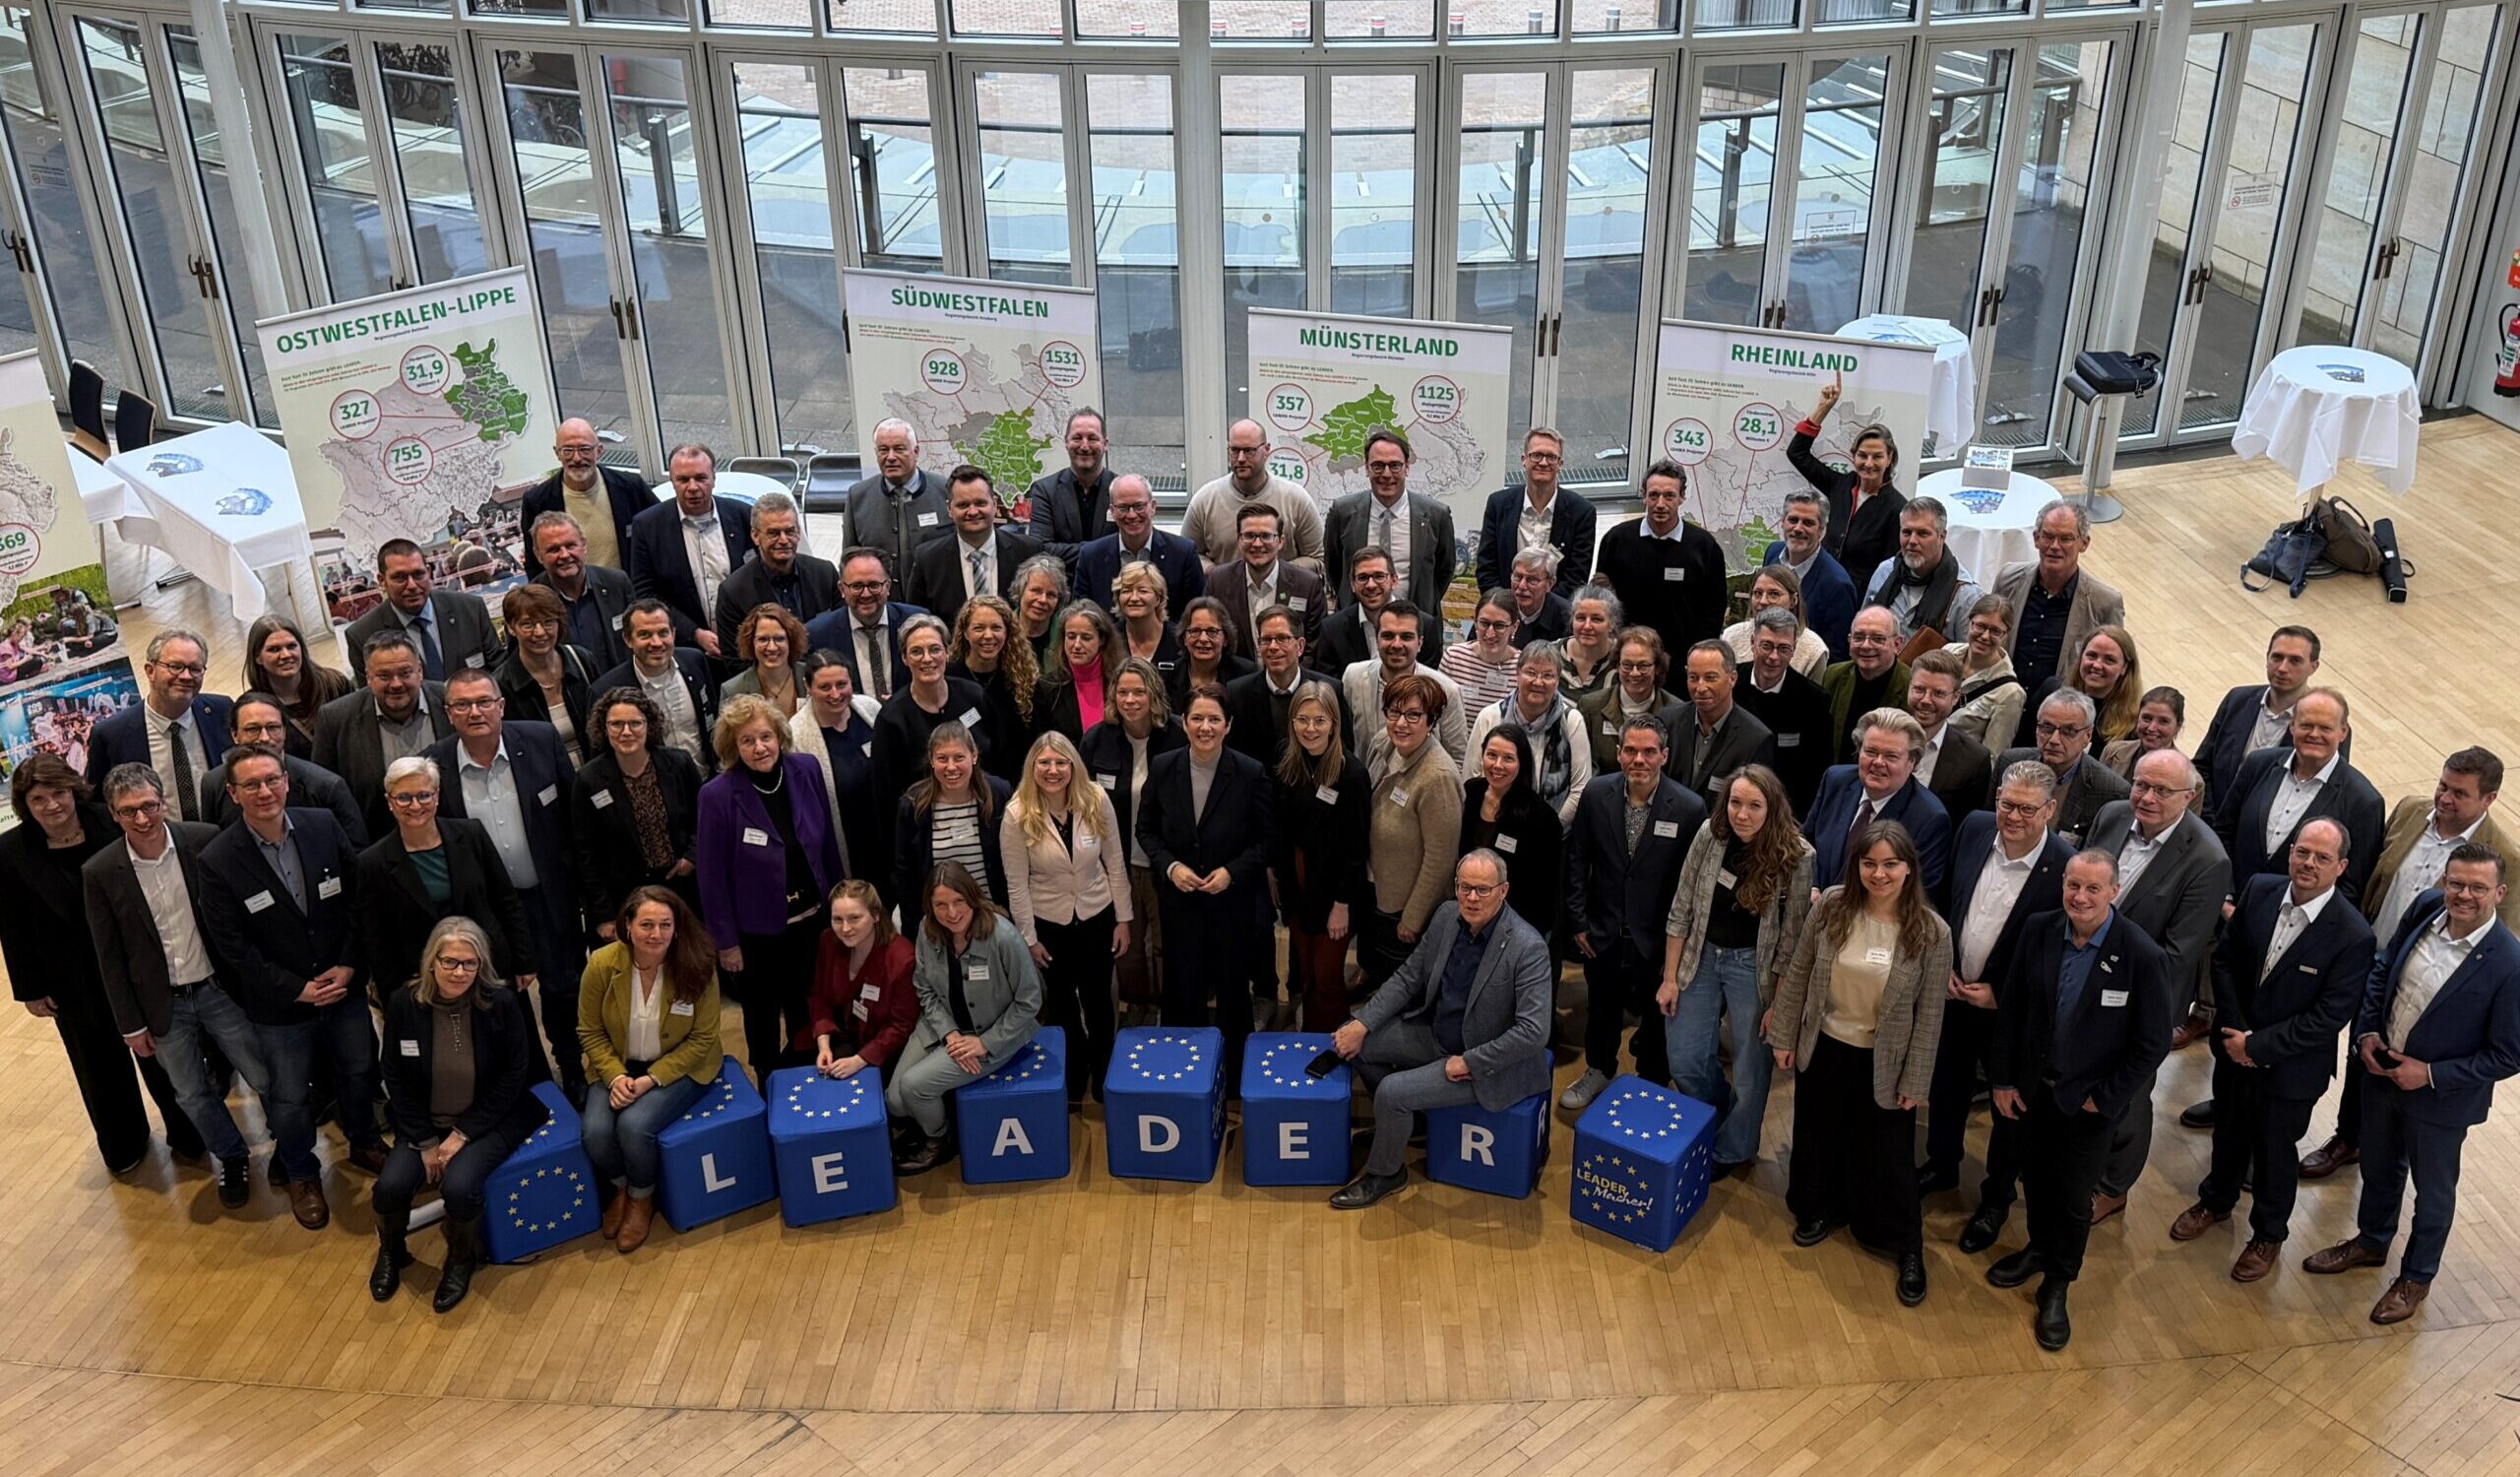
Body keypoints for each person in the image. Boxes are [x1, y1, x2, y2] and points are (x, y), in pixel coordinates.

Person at [2300, 844, 2517, 1325]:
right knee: (2378, 1168)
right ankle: (2372, 1242)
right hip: (2381, 1075)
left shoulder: (2509, 963)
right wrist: (2369, 1031)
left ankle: (2416, 1276)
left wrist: (2431, 1074)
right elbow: (2383, 969)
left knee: (2433, 1194)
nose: (2462, 894)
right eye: (2455, 882)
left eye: (2477, 887)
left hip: (2440, 1102)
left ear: (2498, 893)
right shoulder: (2424, 907)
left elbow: (2508, 1055)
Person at [2168, 820, 2376, 1282]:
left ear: (2341, 867)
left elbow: (2328, 1017)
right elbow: (2224, 960)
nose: (2309, 863)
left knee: (2274, 1153)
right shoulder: (2260, 890)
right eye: (2303, 852)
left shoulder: (2353, 934)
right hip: (2232, 1047)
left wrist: (2258, 1047)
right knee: (2228, 1132)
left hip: (2289, 1071)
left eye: (2322, 858)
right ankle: (2215, 1202)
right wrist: (2237, 1033)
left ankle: (2268, 1234)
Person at [2301, 747, 2520, 1181]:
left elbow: (2497, 940)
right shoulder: (2409, 810)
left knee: (2396, 1061)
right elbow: (2375, 874)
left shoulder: (2504, 858)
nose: (2445, 798)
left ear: (2489, 799)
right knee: (2360, 1049)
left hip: (2427, 981)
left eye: (2460, 793)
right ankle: (2352, 1133)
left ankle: (2359, 1141)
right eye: (2443, 786)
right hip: (2372, 956)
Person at [1984, 850, 2173, 1351]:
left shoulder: (2140, 955)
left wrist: (2103, 1099)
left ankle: (2058, 1283)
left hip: (2087, 1106)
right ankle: (2037, 1250)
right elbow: (2014, 1011)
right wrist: (2002, 1080)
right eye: (2073, 886)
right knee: (2037, 1180)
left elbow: (2152, 1042)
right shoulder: (2040, 930)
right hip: (2032, 1092)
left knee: (2072, 1198)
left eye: (2093, 889)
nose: (2080, 898)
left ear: (2114, 892)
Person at [1768, 821, 1951, 1306]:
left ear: (1909, 868)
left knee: (1888, 1157)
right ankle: (1822, 1209)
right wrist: (1784, 1036)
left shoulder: (1932, 932)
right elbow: (1800, 970)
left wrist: (1917, 1079)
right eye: (1869, 863)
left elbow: (1931, 1015)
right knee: (1817, 1136)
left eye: (1891, 864)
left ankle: (1905, 1245)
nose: (1879, 874)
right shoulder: (1831, 906)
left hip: (1885, 1060)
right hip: (1825, 1045)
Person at [196, 745, 380, 1227]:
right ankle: (301, 1172)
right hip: (281, 1007)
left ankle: (364, 1142)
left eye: (271, 780)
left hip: (342, 989)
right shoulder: (217, 859)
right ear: (233, 794)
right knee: (291, 1097)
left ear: (287, 781)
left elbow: (359, 901)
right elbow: (232, 948)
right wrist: (296, 989)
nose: (264, 792)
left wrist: (348, 966)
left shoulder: (322, 825)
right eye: (251, 785)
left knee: (359, 1071)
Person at [84, 763, 275, 1212]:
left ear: (163, 800)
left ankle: (289, 1142)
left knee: (263, 1072)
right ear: (113, 815)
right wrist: (130, 1025)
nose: (143, 819)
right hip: (162, 1005)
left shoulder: (204, 840)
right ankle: (230, 1156)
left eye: (149, 806)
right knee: (189, 1092)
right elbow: (108, 956)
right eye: (129, 811)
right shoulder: (100, 871)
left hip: (218, 989)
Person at [2, 755, 202, 1173]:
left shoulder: (110, 822)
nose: (52, 805)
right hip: (69, 980)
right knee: (99, 1070)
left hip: (134, 967)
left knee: (161, 1060)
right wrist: (30, 989)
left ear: (73, 789)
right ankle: (124, 1143)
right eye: (39, 799)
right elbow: (12, 924)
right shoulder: (11, 851)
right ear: (26, 804)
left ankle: (189, 1135)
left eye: (58, 793)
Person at [1327, 850, 1555, 1209]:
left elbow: (1533, 1032)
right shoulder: (1447, 916)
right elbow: (1408, 977)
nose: (1472, 898)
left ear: (1503, 891)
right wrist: (1362, 1022)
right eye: (1464, 888)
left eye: (1482, 889)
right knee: (1357, 1042)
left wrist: (1470, 1062)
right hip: (1435, 1035)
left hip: (1483, 1065)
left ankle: (1386, 1173)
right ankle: (1412, 1124)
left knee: (1391, 1092)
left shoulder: (1528, 948)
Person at [2081, 747, 2233, 1221]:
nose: (2145, 797)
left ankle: (2113, 1185)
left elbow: (2178, 952)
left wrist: (2102, 975)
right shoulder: (2110, 816)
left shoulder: (2207, 859)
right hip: (2083, 975)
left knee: (2127, 1095)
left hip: (2142, 999)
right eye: (2141, 784)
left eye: (2161, 791)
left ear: (2188, 798)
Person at [370, 918, 549, 1314]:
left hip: (490, 1120)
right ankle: (392, 1251)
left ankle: (461, 1259)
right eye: (450, 962)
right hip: (424, 1124)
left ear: (481, 964)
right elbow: (394, 1074)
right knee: (389, 1188)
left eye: (469, 963)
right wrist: (427, 1141)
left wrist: (462, 1135)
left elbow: (513, 1076)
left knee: (459, 1187)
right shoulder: (404, 1003)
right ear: (431, 961)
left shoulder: (500, 1002)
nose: (459, 972)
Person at [1925, 762, 2072, 1234]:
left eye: (2026, 809)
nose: (2012, 817)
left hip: (2010, 1013)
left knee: (2009, 1110)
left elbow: (2060, 956)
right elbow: (1948, 898)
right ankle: (1941, 1163)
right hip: (1953, 992)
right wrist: (1942, 962)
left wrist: (2002, 993)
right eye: (2006, 804)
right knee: (1946, 1086)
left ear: (2050, 809)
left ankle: (1995, 1200)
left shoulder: (2065, 868)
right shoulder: (1973, 827)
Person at [426, 667, 588, 1094]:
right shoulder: (434, 766)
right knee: (502, 998)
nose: (475, 711)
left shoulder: (540, 740)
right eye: (463, 704)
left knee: (562, 987)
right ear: (448, 713)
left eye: (484, 701)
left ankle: (571, 1067)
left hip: (548, 897)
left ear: (501, 705)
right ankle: (529, 1080)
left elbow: (573, 817)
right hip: (486, 913)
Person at [1662, 764, 1812, 1175]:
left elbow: (1792, 942)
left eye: (1754, 806)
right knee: (1686, 1058)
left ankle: (1733, 1148)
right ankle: (1716, 1115)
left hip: (1755, 969)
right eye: (1735, 803)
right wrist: (1670, 978)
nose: (1741, 814)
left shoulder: (1798, 857)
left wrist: (1778, 1005)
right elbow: (1681, 909)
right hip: (1701, 957)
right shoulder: (1710, 836)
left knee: (1750, 1070)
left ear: (1773, 808)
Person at [697, 695, 846, 1085]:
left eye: (766, 736)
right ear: (733, 747)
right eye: (747, 741)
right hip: (755, 934)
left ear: (780, 736)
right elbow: (711, 878)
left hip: (812, 919)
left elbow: (826, 841)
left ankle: (809, 1078)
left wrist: (839, 906)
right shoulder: (716, 796)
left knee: (809, 1005)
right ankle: (767, 1079)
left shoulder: (806, 769)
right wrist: (725, 943)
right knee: (761, 1015)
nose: (759, 747)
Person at [1136, 681, 1276, 1084]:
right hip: (1179, 901)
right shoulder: (1164, 767)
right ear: (1184, 722)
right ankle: (1187, 1074)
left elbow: (1268, 841)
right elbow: (1146, 830)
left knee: (1233, 989)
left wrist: (1232, 871)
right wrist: (1170, 866)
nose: (1205, 727)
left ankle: (1234, 1080)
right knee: (1183, 987)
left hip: (1231, 903)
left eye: (1214, 719)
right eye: (1197, 718)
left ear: (1228, 725)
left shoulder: (1250, 773)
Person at [1566, 714, 1706, 1104]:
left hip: (1657, 940)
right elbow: (1577, 858)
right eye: (1630, 750)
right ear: (1618, 753)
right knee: (1601, 1008)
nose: (1638, 760)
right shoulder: (1596, 794)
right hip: (1603, 931)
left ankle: (1650, 1085)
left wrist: (1678, 949)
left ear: (1664, 755)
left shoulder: (1690, 808)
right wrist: (1578, 919)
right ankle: (1598, 1070)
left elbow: (1690, 885)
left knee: (1658, 1017)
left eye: (1648, 752)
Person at [576, 885, 722, 1254]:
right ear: (627, 925)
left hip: (678, 1065)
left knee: (633, 1126)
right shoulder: (601, 966)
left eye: (665, 925)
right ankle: (622, 1186)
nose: (656, 934)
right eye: (647, 925)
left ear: (677, 927)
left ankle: (642, 1198)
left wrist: (651, 1079)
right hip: (618, 1065)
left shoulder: (698, 963)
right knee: (594, 1132)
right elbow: (589, 1032)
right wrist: (615, 1076)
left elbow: (703, 1039)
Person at [888, 862, 1043, 1174]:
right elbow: (924, 988)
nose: (952, 912)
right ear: (930, 907)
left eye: (959, 901)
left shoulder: (1004, 937)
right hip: (942, 1027)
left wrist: (983, 1043)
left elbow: (1030, 1001)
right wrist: (950, 1035)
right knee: (895, 1101)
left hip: (992, 1034)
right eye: (941, 904)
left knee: (914, 1086)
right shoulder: (927, 931)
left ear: (972, 897)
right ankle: (939, 1113)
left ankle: (940, 1140)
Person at [1001, 733, 1130, 1105]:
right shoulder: (1016, 813)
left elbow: (1116, 863)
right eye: (1044, 763)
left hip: (1096, 914)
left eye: (1061, 763)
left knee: (1099, 1000)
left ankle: (1105, 1072)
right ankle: (1074, 1070)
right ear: (1032, 768)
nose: (1053, 770)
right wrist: (1028, 938)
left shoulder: (1096, 799)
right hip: (1048, 923)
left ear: (1073, 765)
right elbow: (1017, 883)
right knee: (1060, 1005)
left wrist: (1124, 919)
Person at [355, 756, 532, 998]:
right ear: (390, 802)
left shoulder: (471, 834)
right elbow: (378, 940)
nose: (415, 806)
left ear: (436, 796)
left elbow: (505, 900)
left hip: (490, 969)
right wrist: (393, 999)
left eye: (424, 795)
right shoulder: (372, 863)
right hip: (423, 985)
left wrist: (524, 960)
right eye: (404, 797)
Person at [2214, 687, 2386, 906]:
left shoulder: (2364, 802)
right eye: (2306, 725)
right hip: (2225, 912)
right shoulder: (2258, 764)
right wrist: (2225, 897)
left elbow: (2351, 888)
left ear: (2343, 732)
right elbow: (2223, 832)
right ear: (2292, 726)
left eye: (2325, 728)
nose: (2314, 734)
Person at [1081, 658, 1183, 1020]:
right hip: (1117, 864)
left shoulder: (1177, 735)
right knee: (1127, 946)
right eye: (1122, 692)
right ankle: (1137, 1006)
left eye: (1138, 691)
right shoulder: (1097, 739)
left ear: (1153, 694)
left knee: (1166, 944)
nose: (1130, 699)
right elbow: (1084, 803)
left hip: (1165, 863)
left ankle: (1169, 1010)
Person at [1354, 673, 1464, 987]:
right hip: (1377, 888)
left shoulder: (1438, 777)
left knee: (1400, 986)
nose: (1401, 723)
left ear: (1431, 721)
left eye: (1414, 715)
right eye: (1394, 712)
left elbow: (1441, 860)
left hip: (1406, 907)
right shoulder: (1384, 744)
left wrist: (1413, 918)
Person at [1275, 682, 1371, 1032]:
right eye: (1303, 719)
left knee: (1327, 976)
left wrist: (1342, 904)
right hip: (1298, 889)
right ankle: (1309, 1033)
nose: (1310, 729)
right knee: (1306, 969)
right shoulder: (1288, 762)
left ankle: (1332, 1041)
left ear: (1334, 723)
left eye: (1319, 720)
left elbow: (1357, 849)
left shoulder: (1352, 774)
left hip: (1334, 894)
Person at [573, 687, 705, 929]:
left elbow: (704, 818)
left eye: (635, 723)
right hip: (626, 897)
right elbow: (587, 854)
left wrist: (692, 857)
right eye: (616, 724)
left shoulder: (678, 763)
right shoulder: (588, 780)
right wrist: (604, 915)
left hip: (684, 887)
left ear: (649, 725)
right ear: (604, 728)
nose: (626, 732)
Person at [313, 630, 455, 840]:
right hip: (378, 849)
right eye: (384, 676)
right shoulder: (335, 719)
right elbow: (324, 795)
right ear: (368, 677)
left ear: (420, 671)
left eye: (405, 673)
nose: (396, 684)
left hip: (454, 837)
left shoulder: (451, 702)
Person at [867, 614, 985, 860]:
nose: (927, 659)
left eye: (934, 649)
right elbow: (885, 798)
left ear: (948, 652)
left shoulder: (974, 696)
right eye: (917, 652)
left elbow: (998, 759)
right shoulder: (891, 720)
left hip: (982, 827)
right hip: (924, 842)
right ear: (904, 658)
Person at [1803, 708, 1953, 898]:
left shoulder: (1929, 818)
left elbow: (1918, 895)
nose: (1878, 762)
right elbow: (1806, 844)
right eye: (1871, 752)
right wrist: (1813, 886)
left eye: (1891, 756)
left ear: (1913, 763)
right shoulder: (1835, 781)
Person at [85, 628, 234, 813]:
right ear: (150, 671)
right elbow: (98, 801)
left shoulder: (221, 711)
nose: (186, 676)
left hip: (221, 835)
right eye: (176, 666)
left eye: (195, 669)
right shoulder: (111, 734)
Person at [1988, 499, 2126, 699]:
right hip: (2002, 705)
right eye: (2048, 536)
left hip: (2061, 719)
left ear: (2084, 543)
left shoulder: (2104, 602)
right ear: (2036, 538)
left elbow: (2112, 671)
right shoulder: (2008, 579)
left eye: (2066, 539)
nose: (2055, 546)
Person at [628, 443, 752, 660]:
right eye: (683, 480)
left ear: (714, 478)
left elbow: (757, 580)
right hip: (685, 651)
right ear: (672, 482)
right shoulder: (648, 526)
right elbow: (645, 594)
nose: (693, 487)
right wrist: (694, 634)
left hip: (744, 648)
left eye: (701, 478)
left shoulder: (742, 515)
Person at [1592, 458, 1727, 654]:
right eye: (1654, 495)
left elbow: (1714, 610)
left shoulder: (1705, 547)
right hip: (1627, 656)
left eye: (1669, 496)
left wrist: (1699, 655)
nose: (1660, 504)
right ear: (1644, 496)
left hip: (1682, 661)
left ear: (1682, 497)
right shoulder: (1616, 539)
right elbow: (1602, 599)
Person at [1326, 427, 1457, 626]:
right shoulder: (1342, 512)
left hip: (1415, 626)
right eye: (1378, 466)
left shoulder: (1436, 515)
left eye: (1395, 465)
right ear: (1366, 468)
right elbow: (1335, 568)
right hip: (1356, 626)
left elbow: (1443, 570)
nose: (1386, 474)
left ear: (1407, 468)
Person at [197, 693, 366, 842]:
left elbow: (355, 852)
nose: (264, 738)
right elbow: (214, 847)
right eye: (252, 729)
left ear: (284, 731)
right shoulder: (213, 784)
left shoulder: (326, 786)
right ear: (235, 735)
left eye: (273, 728)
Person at [1788, 380, 1906, 595]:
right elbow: (1797, 453)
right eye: (1862, 455)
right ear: (1853, 457)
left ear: (1889, 459)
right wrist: (1823, 408)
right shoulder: (1841, 485)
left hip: (1857, 600)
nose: (1868, 463)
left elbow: (1890, 571)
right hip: (1818, 587)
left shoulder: (1897, 508)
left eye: (1877, 456)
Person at [2195, 625, 2325, 809]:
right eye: (2277, 657)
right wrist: (2211, 818)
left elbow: (2322, 794)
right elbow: (2202, 766)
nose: (2282, 668)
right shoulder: (2237, 700)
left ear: (2313, 667)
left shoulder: (2325, 726)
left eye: (2295, 661)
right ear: (2267, 658)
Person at [787, 654, 882, 898]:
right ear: (807, 687)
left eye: (842, 684)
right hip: (842, 845)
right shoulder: (796, 737)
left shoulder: (870, 710)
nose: (836, 694)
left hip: (882, 835)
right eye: (824, 687)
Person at [1459, 724, 1563, 944]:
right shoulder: (1470, 793)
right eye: (1491, 755)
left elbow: (1545, 891)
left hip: (1513, 925)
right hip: (1467, 913)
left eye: (1508, 758)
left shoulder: (1542, 818)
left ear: (1522, 763)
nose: (1497, 765)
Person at [1466, 643, 1591, 827]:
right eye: (1531, 672)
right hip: (1493, 828)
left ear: (1557, 681)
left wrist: (1547, 829)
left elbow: (1580, 789)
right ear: (1517, 674)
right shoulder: (1491, 716)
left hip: (1553, 835)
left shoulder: (1571, 721)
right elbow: (1472, 776)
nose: (1538, 682)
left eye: (1548, 675)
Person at [343, 540, 501, 683]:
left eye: (418, 574)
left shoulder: (470, 609)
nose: (412, 585)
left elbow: (498, 671)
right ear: (382, 581)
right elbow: (375, 701)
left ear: (428, 572)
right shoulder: (362, 636)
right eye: (400, 577)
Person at [804, 879, 917, 1082]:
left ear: (875, 915)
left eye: (854, 918)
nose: (845, 928)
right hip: (839, 1037)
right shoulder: (828, 941)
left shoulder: (901, 959)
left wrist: (859, 1060)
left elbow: (901, 1026)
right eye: (837, 919)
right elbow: (819, 996)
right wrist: (824, 1044)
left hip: (885, 1050)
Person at [894, 721, 1012, 915]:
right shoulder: (913, 805)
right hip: (942, 918)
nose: (951, 767)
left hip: (995, 913)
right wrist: (915, 927)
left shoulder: (999, 794)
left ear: (974, 756)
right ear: (931, 761)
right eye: (942, 758)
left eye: (959, 757)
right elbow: (906, 873)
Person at [1181, 417, 1327, 574]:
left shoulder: (1296, 499)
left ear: (1266, 450)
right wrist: (1216, 574)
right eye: (1235, 450)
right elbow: (1187, 555)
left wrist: (1276, 575)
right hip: (1223, 596)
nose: (1241, 459)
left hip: (1283, 596)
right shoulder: (1205, 500)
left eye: (1249, 451)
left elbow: (1318, 558)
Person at [908, 464, 1045, 626]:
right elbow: (918, 624)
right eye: (963, 505)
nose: (972, 512)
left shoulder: (1028, 552)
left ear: (994, 504)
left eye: (980, 503)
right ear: (949, 509)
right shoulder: (928, 559)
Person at [1994, 688, 2131, 846]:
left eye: (2068, 731)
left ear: (2088, 736)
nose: (2054, 739)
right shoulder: (2009, 761)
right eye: (2047, 727)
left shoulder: (2111, 791)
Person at [1339, 601, 1468, 764]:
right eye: (1388, 636)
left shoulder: (1447, 691)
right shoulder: (1353, 677)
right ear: (1376, 640)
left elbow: (1457, 758)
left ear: (1420, 643)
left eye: (1406, 637)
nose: (1397, 644)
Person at [520, 416, 650, 576]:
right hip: (571, 598)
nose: (577, 458)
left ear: (599, 450)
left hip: (630, 593)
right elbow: (534, 563)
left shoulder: (631, 487)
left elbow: (660, 534)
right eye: (568, 450)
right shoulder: (537, 501)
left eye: (584, 449)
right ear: (557, 453)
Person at [711, 489, 838, 653]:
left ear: (798, 533)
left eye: (789, 531)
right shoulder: (733, 592)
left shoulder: (825, 574)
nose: (783, 540)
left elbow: (840, 635)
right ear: (755, 536)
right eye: (773, 533)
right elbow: (735, 660)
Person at [1476, 426, 1598, 596]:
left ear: (1560, 464)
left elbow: (1576, 578)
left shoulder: (1582, 513)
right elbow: (1486, 568)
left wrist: (1545, 611)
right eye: (1536, 455)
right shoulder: (1498, 505)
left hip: (1555, 614)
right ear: (1524, 460)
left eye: (1551, 457)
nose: (1543, 462)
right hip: (1505, 610)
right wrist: (1505, 608)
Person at [1734, 610, 1833, 815]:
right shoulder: (1731, 684)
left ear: (1794, 649)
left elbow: (1816, 772)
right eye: (1767, 646)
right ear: (1753, 643)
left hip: (1786, 810)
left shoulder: (1814, 701)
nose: (1774, 657)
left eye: (1783, 649)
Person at [1663, 640, 1778, 814]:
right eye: (1693, 677)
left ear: (1732, 679)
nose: (1700, 687)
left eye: (1710, 678)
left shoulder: (1756, 739)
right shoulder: (1667, 721)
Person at [1226, 603, 1346, 767]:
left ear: (1301, 646)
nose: (1273, 647)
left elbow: (1342, 750)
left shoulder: (1331, 689)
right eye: (1266, 640)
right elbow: (1234, 755)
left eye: (1282, 639)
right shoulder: (1238, 693)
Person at [801, 547, 929, 701]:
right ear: (842, 589)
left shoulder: (917, 622)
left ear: (888, 586)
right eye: (856, 586)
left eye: (874, 585)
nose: (866, 594)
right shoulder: (817, 635)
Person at [1858, 497, 1985, 645]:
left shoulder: (1966, 596)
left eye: (1923, 533)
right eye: (1906, 532)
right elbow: (1862, 629)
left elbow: (1969, 661)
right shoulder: (1885, 572)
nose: (1912, 541)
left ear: (1942, 536)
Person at [1075, 473, 1204, 619]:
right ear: (1112, 511)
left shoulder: (1183, 553)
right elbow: (1082, 616)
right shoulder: (1091, 557)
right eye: (1123, 508)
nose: (1131, 515)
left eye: (1139, 506)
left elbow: (1195, 615)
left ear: (1153, 507)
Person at [1208, 503, 1327, 658]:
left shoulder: (1308, 585)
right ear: (1239, 540)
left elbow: (1313, 649)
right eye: (1249, 536)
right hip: (1235, 681)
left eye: (1266, 536)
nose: (1257, 544)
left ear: (1281, 541)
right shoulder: (1218, 583)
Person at [496, 584, 599, 760]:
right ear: (511, 628)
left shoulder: (581, 659)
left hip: (595, 775)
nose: (540, 632)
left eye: (548, 622)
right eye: (527, 624)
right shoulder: (500, 685)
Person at [843, 417, 951, 584]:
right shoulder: (857, 496)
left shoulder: (945, 491)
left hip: (935, 600)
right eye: (883, 450)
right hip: (882, 604)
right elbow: (849, 559)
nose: (890, 457)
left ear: (916, 452)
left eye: (899, 449)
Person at [951, 594, 1041, 785]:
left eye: (996, 628)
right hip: (963, 786)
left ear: (1007, 632)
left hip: (1017, 787)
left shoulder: (1024, 679)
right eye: (979, 628)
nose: (988, 635)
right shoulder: (948, 678)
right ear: (965, 633)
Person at [530, 512, 636, 673]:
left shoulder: (617, 583)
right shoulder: (529, 602)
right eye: (554, 549)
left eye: (570, 545)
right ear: (538, 555)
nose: (564, 555)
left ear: (584, 545)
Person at [1762, 489, 1858, 660]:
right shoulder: (1772, 553)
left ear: (1822, 530)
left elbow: (1836, 656)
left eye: (1808, 523)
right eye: (1793, 520)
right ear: (1782, 523)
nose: (1798, 528)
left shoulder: (1838, 586)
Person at [239, 613, 349, 759]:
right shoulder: (252, 708)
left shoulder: (336, 685)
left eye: (291, 646)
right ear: (257, 657)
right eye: (274, 649)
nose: (285, 655)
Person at [1907, 650, 1993, 827]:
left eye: (1938, 693)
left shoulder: (1974, 760)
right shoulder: (1879, 737)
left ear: (1955, 698)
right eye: (1919, 689)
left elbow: (1966, 829)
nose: (1926, 700)